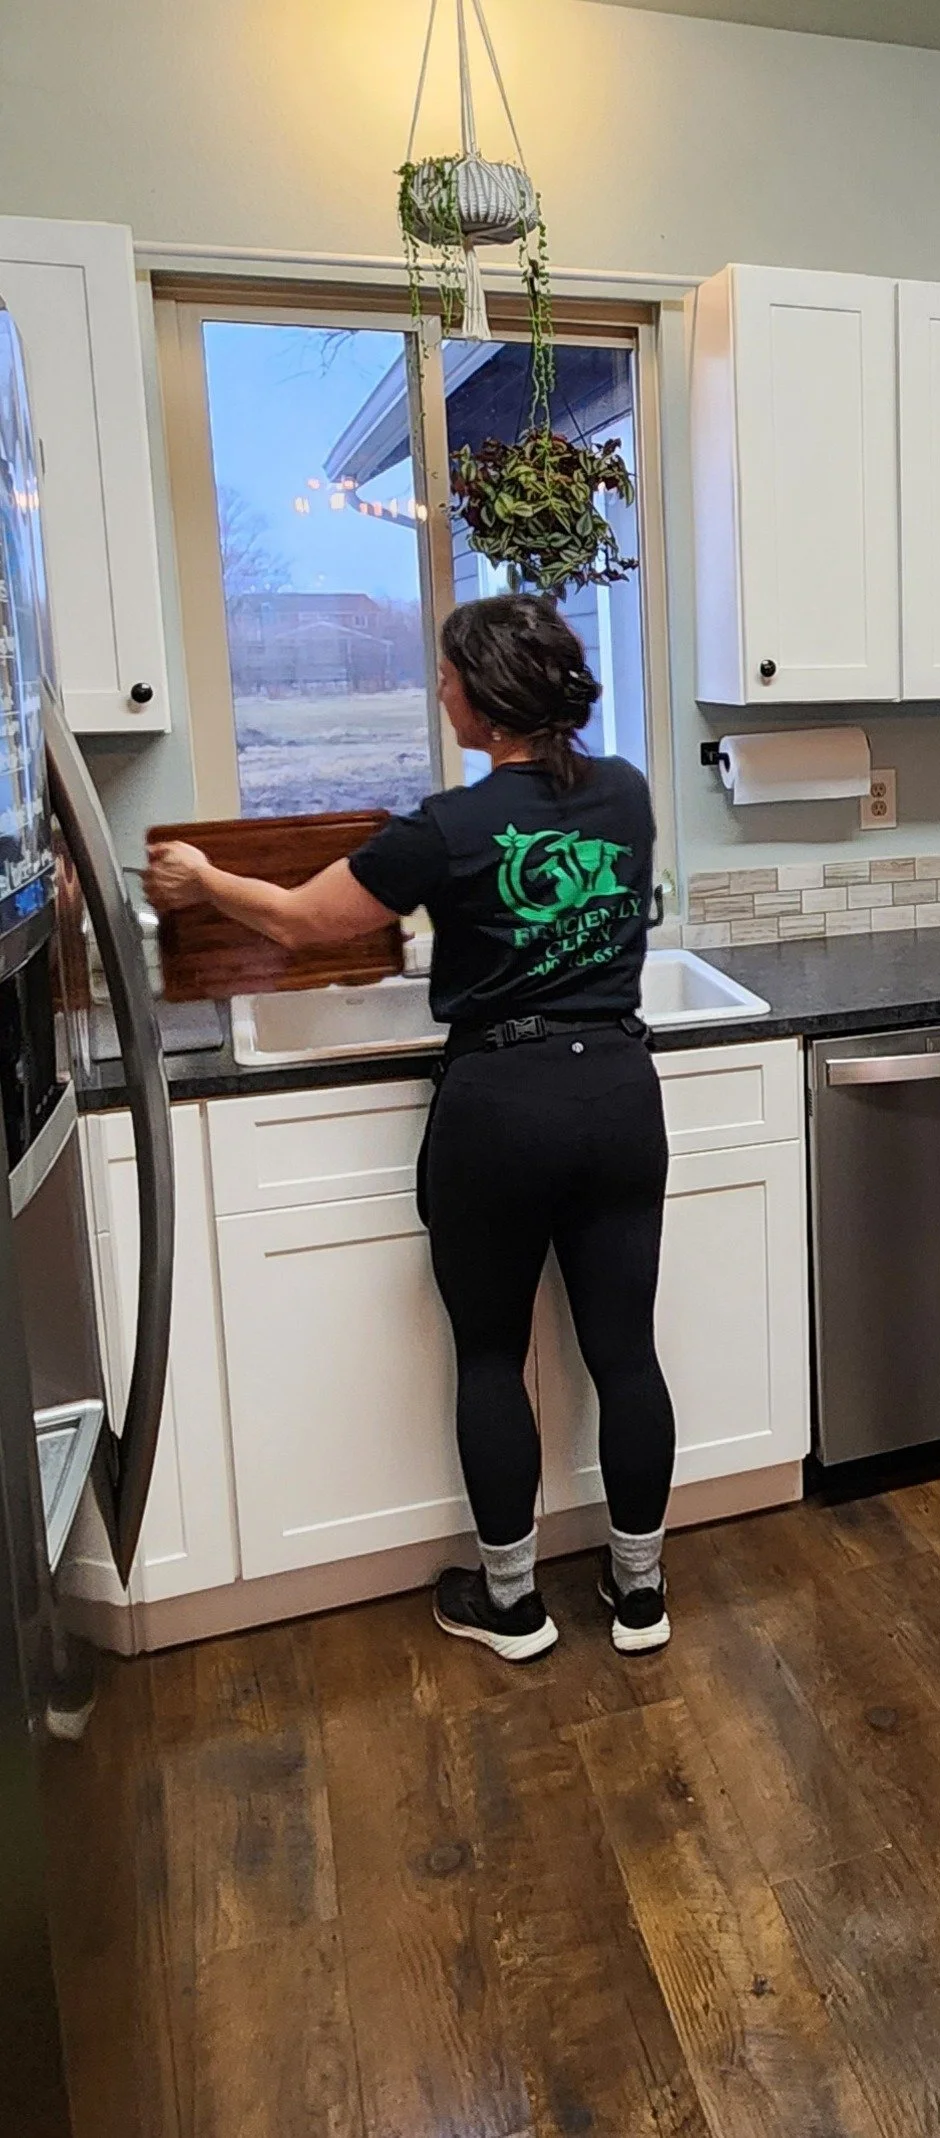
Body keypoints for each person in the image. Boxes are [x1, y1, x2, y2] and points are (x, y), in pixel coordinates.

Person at [146, 593, 676, 1662]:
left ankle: (515, 1604)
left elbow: (299, 920)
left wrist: (200, 878)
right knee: (625, 1351)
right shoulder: (625, 790)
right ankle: (638, 1593)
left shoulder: (447, 828)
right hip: (619, 1088)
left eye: (445, 676)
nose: (437, 691)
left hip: (503, 1101)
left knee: (490, 1352)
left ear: (484, 700)